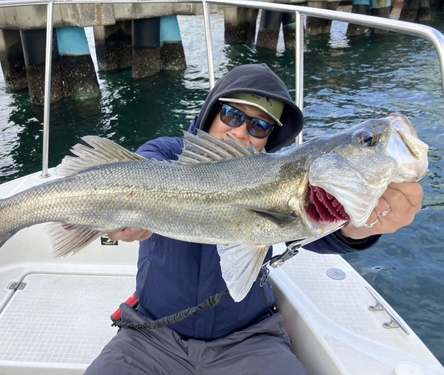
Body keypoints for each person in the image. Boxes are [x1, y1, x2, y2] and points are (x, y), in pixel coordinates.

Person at [84, 63, 423, 375]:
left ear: (269, 138)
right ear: (211, 111)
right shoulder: (165, 154)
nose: (241, 132)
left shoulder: (281, 180)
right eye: (231, 115)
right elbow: (136, 175)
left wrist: (362, 225)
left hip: (250, 340)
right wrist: (124, 214)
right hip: (151, 334)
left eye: (260, 126)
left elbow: (322, 233)